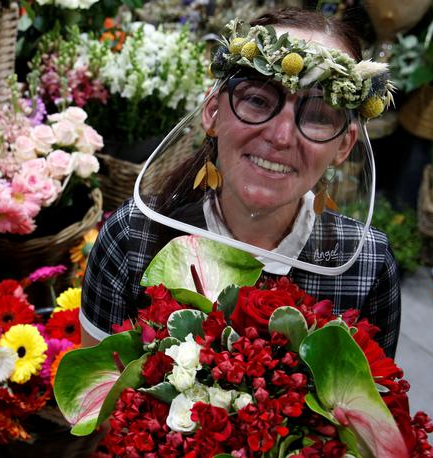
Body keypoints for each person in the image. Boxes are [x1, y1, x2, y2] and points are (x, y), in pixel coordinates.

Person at [80, 7, 401, 358]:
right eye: (258, 100)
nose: (280, 136)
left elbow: (371, 406)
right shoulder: (133, 237)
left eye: (317, 116)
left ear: (344, 145)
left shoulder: (366, 266)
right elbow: (96, 402)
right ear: (213, 112)